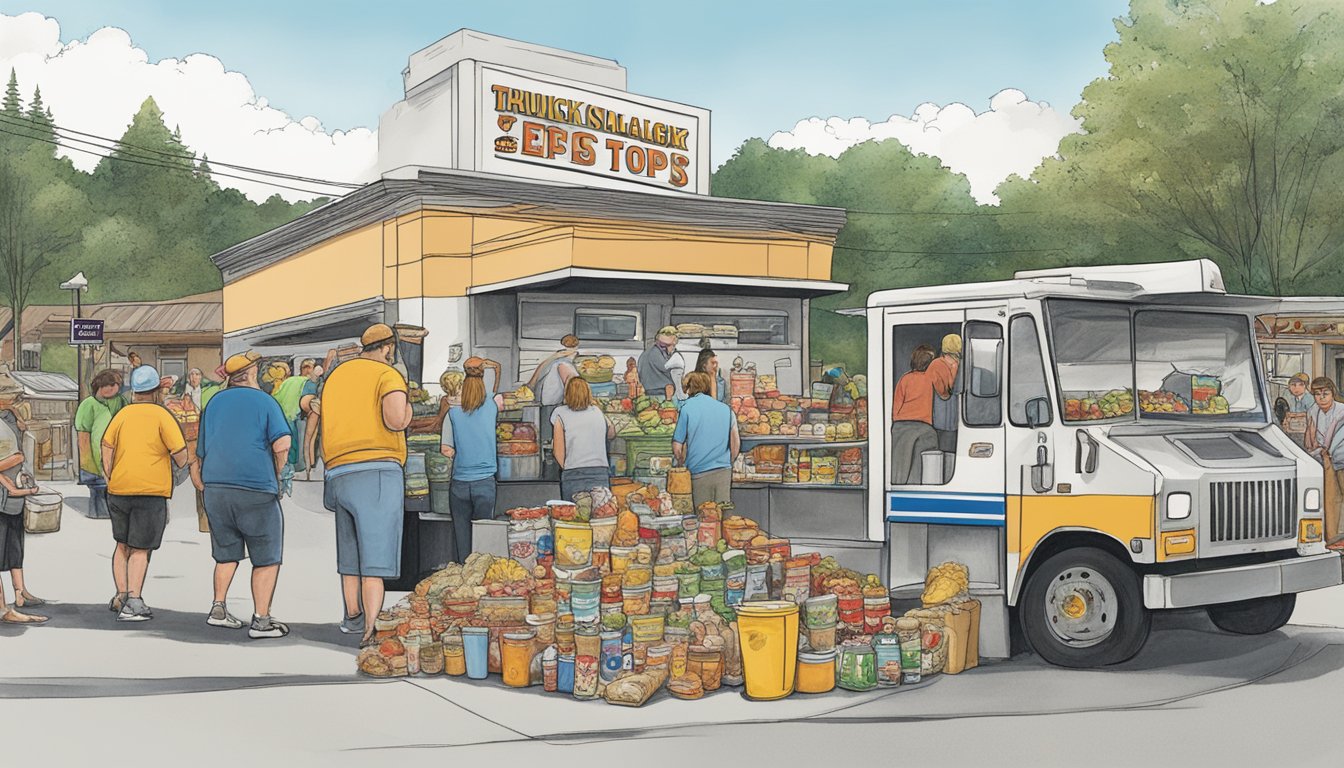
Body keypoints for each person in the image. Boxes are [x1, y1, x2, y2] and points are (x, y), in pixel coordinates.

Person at [320, 323, 412, 644]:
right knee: (374, 556)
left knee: (350, 556)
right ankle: (372, 627)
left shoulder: (336, 376)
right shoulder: (388, 375)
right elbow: (396, 420)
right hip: (376, 470)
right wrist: (410, 409)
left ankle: (352, 617)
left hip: (337, 472)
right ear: (388, 348)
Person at [191, 350, 293, 638]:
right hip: (256, 488)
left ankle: (218, 608)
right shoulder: (265, 401)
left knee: (225, 554)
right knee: (266, 557)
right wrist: (277, 474)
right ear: (250, 373)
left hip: (217, 489)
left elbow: (200, 450)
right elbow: (282, 444)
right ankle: (261, 621)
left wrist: (202, 482)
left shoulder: (213, 403)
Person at [101, 364, 190, 622]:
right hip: (150, 490)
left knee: (122, 544)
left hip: (119, 488)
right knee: (140, 548)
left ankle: (120, 594)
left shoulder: (122, 415)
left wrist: (109, 474)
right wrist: (181, 464)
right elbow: (181, 455)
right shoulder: (162, 415)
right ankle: (134, 601)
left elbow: (106, 445)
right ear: (156, 391)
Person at [442, 357, 504, 561]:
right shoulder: (493, 403)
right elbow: (495, 389)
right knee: (483, 541)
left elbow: (446, 450)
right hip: (485, 482)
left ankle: (463, 578)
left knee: (463, 543)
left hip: (459, 483)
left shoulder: (452, 412)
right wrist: (493, 366)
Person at [0, 404, 45, 624]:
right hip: (4, 498)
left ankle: (19, 593)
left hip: (11, 499)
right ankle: (3, 609)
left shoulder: (8, 417)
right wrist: (15, 461)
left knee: (14, 545)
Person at [672, 371, 741, 508]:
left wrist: (681, 462)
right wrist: (728, 461)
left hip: (698, 473)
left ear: (689, 388)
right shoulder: (726, 410)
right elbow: (735, 444)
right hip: (724, 472)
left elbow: (677, 447)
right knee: (721, 516)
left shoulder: (686, 409)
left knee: (703, 518)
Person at [552, 377, 615, 501]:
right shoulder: (596, 411)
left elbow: (558, 451)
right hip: (599, 472)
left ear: (567, 394)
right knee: (601, 515)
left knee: (575, 516)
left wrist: (567, 467)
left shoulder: (560, 413)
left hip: (573, 474)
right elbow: (611, 433)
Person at [75, 370, 125, 520]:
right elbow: (83, 436)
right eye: (109, 385)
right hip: (94, 457)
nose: (112, 388)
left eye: (115, 385)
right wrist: (87, 463)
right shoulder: (88, 405)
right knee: (98, 490)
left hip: (117, 455)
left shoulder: (120, 401)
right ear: (99, 385)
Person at [890, 345, 942, 484]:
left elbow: (896, 406)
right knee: (920, 470)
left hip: (900, 427)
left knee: (897, 466)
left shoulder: (904, 379)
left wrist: (895, 423)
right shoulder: (933, 378)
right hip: (923, 427)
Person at [1305, 377, 1344, 549]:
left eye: (1325, 393)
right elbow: (1310, 435)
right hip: (1326, 458)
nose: (1321, 398)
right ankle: (1334, 538)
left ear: (1332, 394)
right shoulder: (1313, 411)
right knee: (1330, 499)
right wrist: (1314, 450)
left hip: (1342, 457)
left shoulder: (1342, 411)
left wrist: (1325, 449)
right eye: (1317, 394)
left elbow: (1336, 438)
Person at [928, 334, 962, 452]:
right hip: (943, 420)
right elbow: (945, 392)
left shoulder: (935, 364)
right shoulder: (938, 365)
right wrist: (954, 368)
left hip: (945, 419)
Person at [637, 326, 680, 401]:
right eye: (669, 345)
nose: (672, 348)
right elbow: (668, 368)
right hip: (659, 394)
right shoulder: (654, 353)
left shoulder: (651, 352)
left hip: (654, 392)